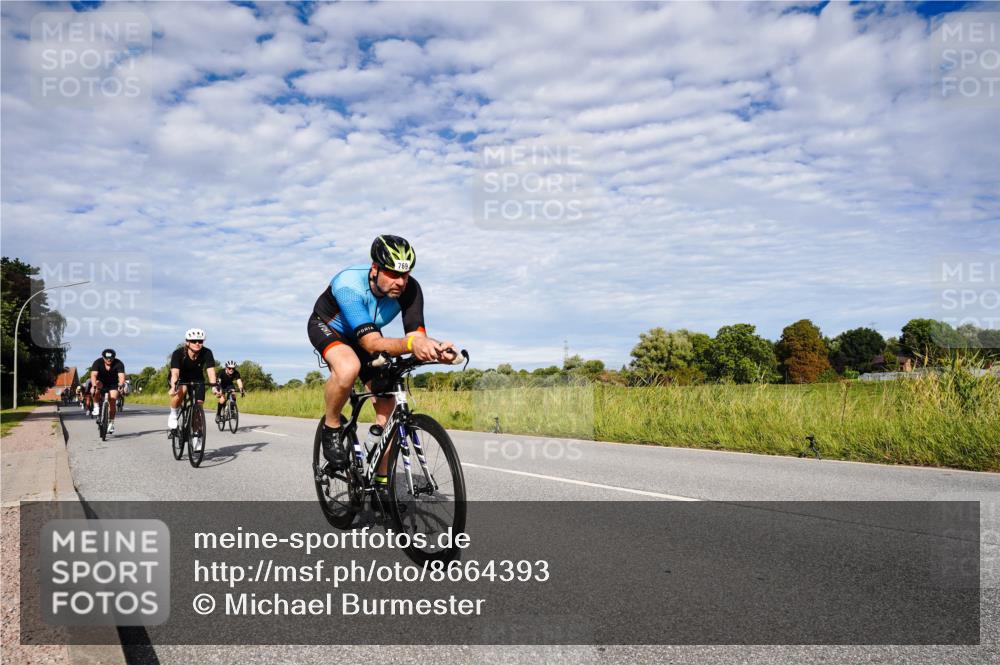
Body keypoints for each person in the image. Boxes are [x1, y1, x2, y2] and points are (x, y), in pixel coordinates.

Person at [307, 234, 459, 488]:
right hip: (330, 328)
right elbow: (370, 344)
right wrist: (412, 345)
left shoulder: (410, 289)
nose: (401, 281)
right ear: (375, 268)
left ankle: (380, 481)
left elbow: (415, 337)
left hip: (370, 334)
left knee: (388, 410)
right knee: (348, 368)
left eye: (406, 274)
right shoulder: (349, 285)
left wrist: (435, 350)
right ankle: (332, 426)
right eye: (393, 274)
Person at [167, 328, 220, 430]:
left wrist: (214, 387)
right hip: (180, 377)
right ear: (187, 342)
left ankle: (196, 434)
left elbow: (211, 371)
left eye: (200, 341)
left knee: (199, 404)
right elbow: (175, 373)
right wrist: (174, 387)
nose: (197, 343)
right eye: (193, 341)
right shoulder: (178, 353)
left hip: (197, 378)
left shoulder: (207, 352)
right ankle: (173, 413)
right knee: (183, 389)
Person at [89, 349, 126, 434]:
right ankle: (96, 407)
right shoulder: (97, 362)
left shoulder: (119, 363)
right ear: (103, 357)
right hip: (101, 383)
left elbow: (121, 376)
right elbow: (93, 375)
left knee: (113, 400)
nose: (109, 360)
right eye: (107, 358)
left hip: (113, 384)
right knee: (94, 389)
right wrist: (94, 385)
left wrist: (121, 385)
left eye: (111, 358)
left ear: (114, 357)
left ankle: (111, 423)